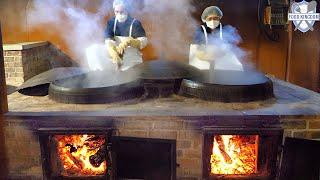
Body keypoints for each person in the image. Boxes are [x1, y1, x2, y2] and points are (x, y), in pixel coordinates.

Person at [105, 0, 148, 71]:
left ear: (127, 10)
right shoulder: (111, 22)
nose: (119, 14)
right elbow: (108, 39)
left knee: (131, 75)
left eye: (122, 11)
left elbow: (144, 41)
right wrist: (112, 50)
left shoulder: (135, 23)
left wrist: (130, 42)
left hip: (132, 60)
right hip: (117, 58)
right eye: (116, 12)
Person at [189, 6, 224, 70]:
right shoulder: (200, 30)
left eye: (215, 18)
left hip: (221, 66)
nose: (213, 21)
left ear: (219, 18)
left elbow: (230, 47)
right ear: (205, 19)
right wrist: (207, 56)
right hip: (202, 66)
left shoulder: (225, 29)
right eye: (210, 19)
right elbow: (197, 49)